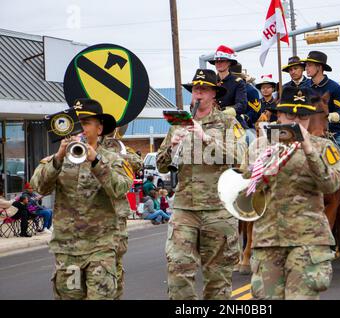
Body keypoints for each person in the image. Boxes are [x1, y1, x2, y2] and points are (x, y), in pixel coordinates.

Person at [157, 68, 247, 300]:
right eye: (195, 89)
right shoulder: (178, 123)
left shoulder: (227, 121)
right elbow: (161, 165)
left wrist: (205, 137)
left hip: (218, 210)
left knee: (217, 280)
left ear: (214, 94)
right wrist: (172, 147)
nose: (198, 93)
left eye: (204, 89)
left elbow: (239, 158)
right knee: (178, 269)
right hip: (185, 208)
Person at [30, 98, 133, 300]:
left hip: (101, 248)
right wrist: (58, 158)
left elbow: (120, 188)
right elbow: (38, 187)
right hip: (68, 251)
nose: (80, 129)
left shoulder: (112, 160)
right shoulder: (56, 159)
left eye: (85, 123)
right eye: (76, 124)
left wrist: (96, 161)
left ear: (100, 128)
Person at [247, 86, 340, 300]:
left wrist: (309, 150)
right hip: (268, 239)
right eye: (290, 115)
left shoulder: (324, 147)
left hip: (307, 240)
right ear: (279, 115)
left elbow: (332, 185)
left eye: (303, 116)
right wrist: (261, 174)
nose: (297, 121)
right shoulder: (259, 146)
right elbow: (245, 189)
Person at [101, 131, 143, 299]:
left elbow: (137, 164)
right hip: (90, 220)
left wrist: (119, 152)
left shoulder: (119, 147)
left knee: (115, 263)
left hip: (116, 215)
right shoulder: (80, 146)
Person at [303, 50, 340, 165]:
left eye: (309, 65)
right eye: (306, 65)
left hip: (332, 131)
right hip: (306, 131)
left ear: (319, 67)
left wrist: (331, 116)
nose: (306, 68)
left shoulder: (335, 88)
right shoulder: (303, 88)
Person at [208, 45, 247, 125]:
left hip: (233, 122)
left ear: (229, 63)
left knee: (247, 137)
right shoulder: (210, 82)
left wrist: (224, 113)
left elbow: (242, 105)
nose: (219, 63)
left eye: (222, 61)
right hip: (212, 121)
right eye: (217, 61)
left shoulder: (238, 82)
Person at [229, 63, 260, 144]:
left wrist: (245, 117)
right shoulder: (224, 88)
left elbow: (256, 111)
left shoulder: (250, 90)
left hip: (245, 126)